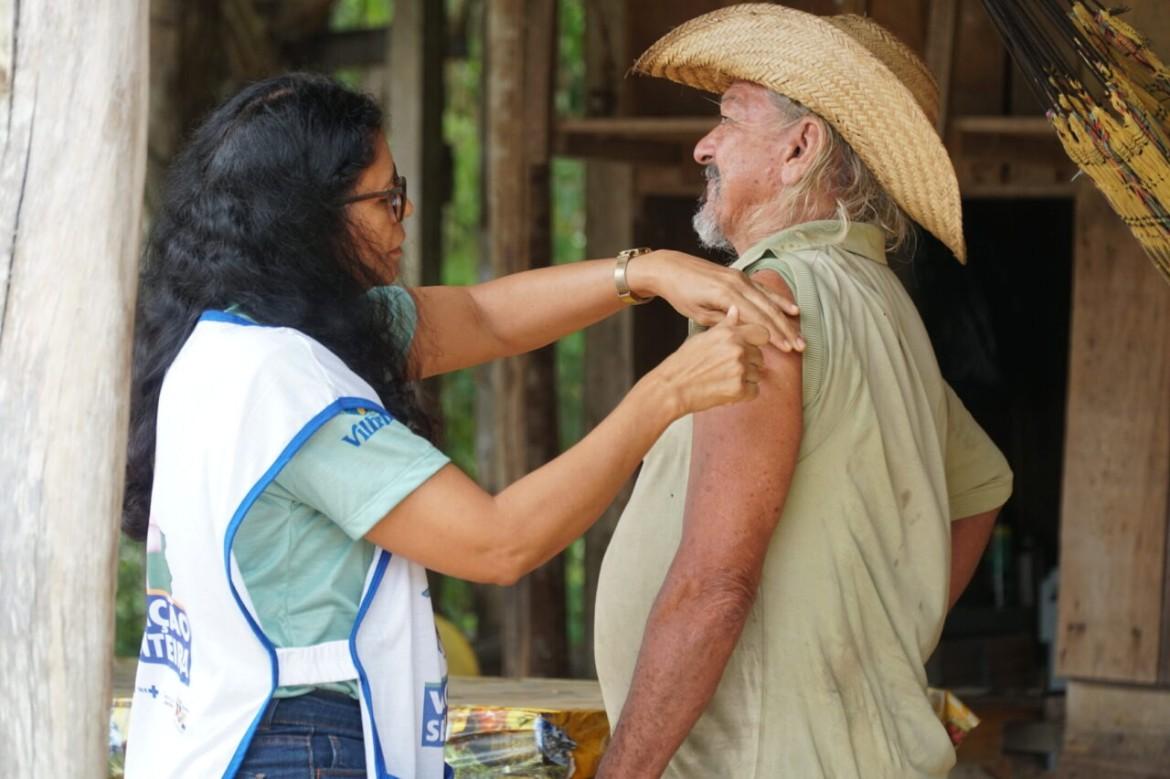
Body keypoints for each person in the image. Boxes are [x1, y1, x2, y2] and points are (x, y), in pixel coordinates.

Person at [120, 72, 803, 779]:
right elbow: (499, 542)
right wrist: (664, 394)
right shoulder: (288, 382)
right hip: (297, 746)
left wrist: (648, 272)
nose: (403, 212)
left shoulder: (234, 340)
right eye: (385, 198)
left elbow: (482, 316)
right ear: (308, 217)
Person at [593, 6, 1013, 778]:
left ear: (799, 147)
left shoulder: (768, 298)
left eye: (727, 119)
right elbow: (984, 484)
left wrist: (621, 771)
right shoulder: (881, 300)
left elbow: (715, 583)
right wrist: (875, 643)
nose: (703, 145)